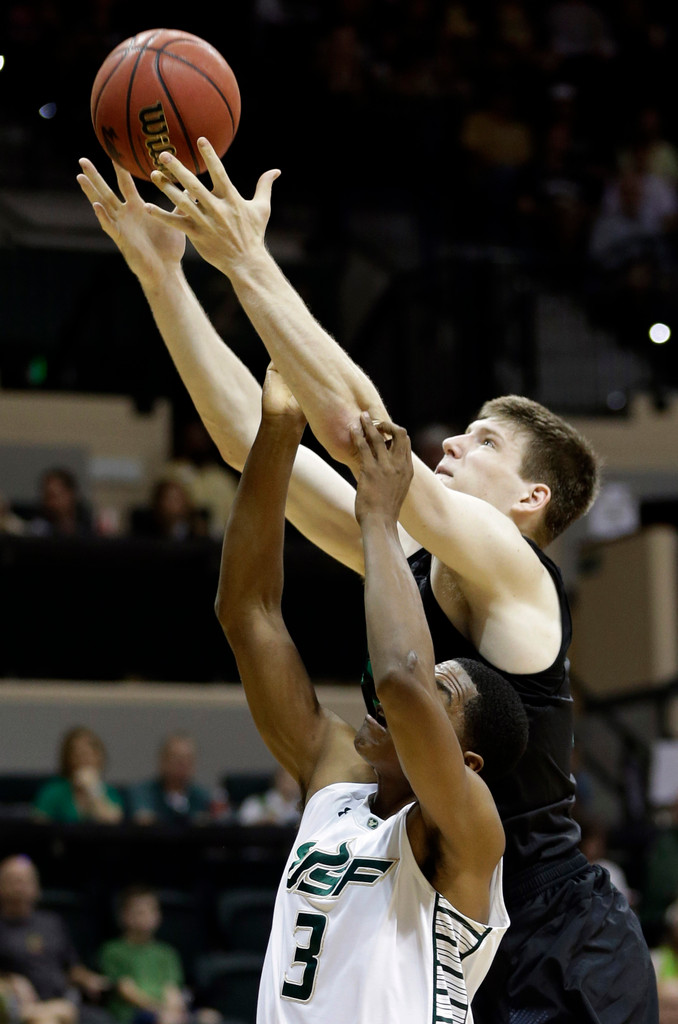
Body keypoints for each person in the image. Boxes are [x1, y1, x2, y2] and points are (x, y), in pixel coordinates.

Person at [76, 148, 658, 1019]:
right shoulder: (412, 560)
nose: (453, 446)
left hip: (552, 932)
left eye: (484, 443)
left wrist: (247, 259)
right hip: (448, 916)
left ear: (533, 500)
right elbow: (251, 443)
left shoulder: (518, 576)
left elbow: (360, 432)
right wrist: (163, 276)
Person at [215, 366, 528, 1021]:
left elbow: (402, 676)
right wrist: (278, 430)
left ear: (466, 763)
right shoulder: (335, 779)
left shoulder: (468, 831)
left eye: (440, 703)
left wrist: (378, 517)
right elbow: (248, 613)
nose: (383, 705)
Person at [0, 855, 110, 1024]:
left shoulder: (51, 922)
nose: (20, 887)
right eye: (13, 880)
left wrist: (88, 979)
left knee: (102, 1019)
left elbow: (71, 966)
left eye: (26, 880)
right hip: (19, 1007)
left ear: (36, 886)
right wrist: (8, 980)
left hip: (62, 1000)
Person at [98, 886, 217, 1024]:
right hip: (133, 1013)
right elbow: (126, 991)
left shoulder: (166, 952)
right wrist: (158, 1009)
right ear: (124, 916)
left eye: (152, 910)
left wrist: (175, 1009)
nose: (148, 916)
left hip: (165, 1011)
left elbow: (172, 990)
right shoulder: (113, 950)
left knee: (209, 1017)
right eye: (140, 912)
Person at [33, 727, 124, 825]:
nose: (84, 759)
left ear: (100, 758)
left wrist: (93, 789)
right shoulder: (53, 792)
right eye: (78, 755)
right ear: (68, 759)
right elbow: (39, 827)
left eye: (89, 754)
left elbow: (113, 822)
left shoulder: (110, 792)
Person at [127, 734, 213, 826]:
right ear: (162, 761)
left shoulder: (203, 796)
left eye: (188, 759)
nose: (183, 764)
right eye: (177, 759)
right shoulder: (143, 792)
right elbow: (143, 818)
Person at [236, 766, 301, 828]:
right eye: (287, 780)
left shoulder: (303, 807)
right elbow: (243, 822)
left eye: (294, 781)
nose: (292, 784)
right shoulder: (256, 803)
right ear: (278, 779)